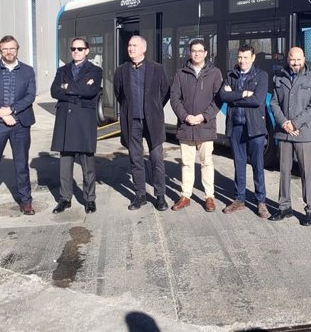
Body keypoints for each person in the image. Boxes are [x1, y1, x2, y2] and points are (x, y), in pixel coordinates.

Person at [0, 35, 36, 221]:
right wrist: (0, 112)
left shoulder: (27, 71)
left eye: (12, 48)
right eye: (5, 49)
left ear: (17, 49)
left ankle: (26, 201)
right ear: (0, 50)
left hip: (20, 123)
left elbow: (30, 95)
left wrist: (11, 110)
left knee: (21, 165)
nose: (9, 52)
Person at [113, 35, 170, 211]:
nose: (131, 48)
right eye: (129, 45)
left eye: (135, 45)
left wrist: (153, 107)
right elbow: (119, 94)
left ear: (144, 49)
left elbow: (165, 91)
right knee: (135, 159)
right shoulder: (121, 70)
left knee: (156, 159)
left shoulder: (157, 69)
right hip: (132, 122)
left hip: (153, 121)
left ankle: (160, 196)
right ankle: (140, 195)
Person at [269, 47, 311, 226]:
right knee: (284, 171)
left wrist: (295, 123)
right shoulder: (278, 78)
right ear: (288, 59)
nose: (295, 63)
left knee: (306, 172)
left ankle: (310, 210)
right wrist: (284, 123)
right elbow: (274, 103)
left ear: (304, 59)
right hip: (284, 133)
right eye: (292, 60)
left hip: (304, 133)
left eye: (298, 60)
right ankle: (284, 207)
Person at [169, 38, 223, 212]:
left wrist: (203, 117)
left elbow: (218, 99)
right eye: (194, 51)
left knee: (207, 163)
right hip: (186, 127)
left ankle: (209, 197)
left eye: (200, 50)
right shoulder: (180, 73)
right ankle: (185, 195)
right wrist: (185, 117)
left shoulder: (215, 73)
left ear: (206, 53)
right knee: (187, 163)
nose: (197, 53)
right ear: (189, 52)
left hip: (205, 126)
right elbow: (174, 98)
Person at [50, 38, 103, 214]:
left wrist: (67, 87)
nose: (76, 51)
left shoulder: (95, 71)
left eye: (80, 49)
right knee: (65, 164)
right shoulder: (62, 70)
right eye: (73, 48)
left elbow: (91, 91)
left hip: (84, 121)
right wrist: (77, 88)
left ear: (87, 51)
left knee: (88, 164)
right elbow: (54, 91)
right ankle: (65, 198)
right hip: (65, 120)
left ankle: (89, 199)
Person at [219, 44, 270, 218]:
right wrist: (243, 93)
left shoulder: (262, 76)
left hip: (255, 127)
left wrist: (234, 95)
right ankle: (239, 199)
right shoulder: (230, 75)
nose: (242, 61)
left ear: (253, 58)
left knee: (258, 165)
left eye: (246, 57)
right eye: (240, 57)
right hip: (236, 127)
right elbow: (223, 96)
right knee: (238, 164)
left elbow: (257, 100)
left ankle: (261, 201)